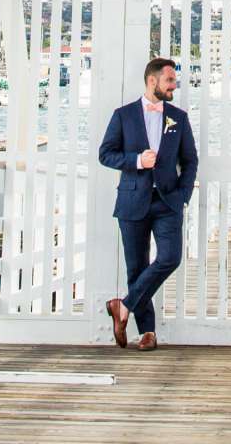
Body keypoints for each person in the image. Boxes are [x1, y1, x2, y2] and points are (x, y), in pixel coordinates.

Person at [97, 55, 197, 349]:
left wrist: (182, 196)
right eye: (169, 81)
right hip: (132, 200)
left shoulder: (178, 118)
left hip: (167, 201)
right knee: (136, 268)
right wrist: (136, 160)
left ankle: (123, 306)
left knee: (170, 257)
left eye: (174, 82)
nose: (173, 86)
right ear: (152, 81)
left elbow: (190, 161)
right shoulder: (123, 115)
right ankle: (147, 332)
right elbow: (105, 154)